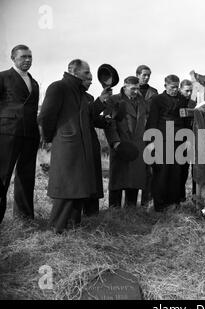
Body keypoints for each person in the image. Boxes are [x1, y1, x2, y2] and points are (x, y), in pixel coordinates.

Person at [38, 59, 111, 233]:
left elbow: (88, 116)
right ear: (72, 71)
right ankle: (56, 230)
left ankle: (72, 228)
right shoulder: (58, 87)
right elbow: (46, 116)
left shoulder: (79, 92)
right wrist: (51, 138)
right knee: (66, 190)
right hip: (68, 146)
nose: (90, 76)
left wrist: (101, 101)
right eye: (86, 73)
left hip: (80, 148)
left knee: (78, 189)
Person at [0, 44, 40, 224]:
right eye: (23, 56)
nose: (28, 60)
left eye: (30, 57)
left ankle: (24, 218)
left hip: (30, 134)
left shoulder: (35, 82)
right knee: (2, 176)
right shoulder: (3, 77)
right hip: (7, 134)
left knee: (26, 176)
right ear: (13, 58)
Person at [104, 76, 148, 208]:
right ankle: (114, 210)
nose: (135, 91)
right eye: (132, 88)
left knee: (134, 180)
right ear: (124, 87)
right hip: (121, 144)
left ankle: (131, 210)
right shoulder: (114, 100)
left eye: (137, 88)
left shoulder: (142, 102)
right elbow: (109, 123)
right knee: (118, 179)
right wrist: (115, 142)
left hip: (138, 145)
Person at [145, 74, 186, 212]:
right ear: (165, 86)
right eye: (172, 87)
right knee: (162, 173)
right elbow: (152, 121)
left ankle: (173, 203)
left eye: (177, 87)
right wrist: (151, 143)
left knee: (176, 173)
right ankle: (159, 205)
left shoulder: (182, 99)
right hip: (162, 140)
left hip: (179, 141)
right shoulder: (157, 100)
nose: (175, 90)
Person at [136, 65, 158, 207]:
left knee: (149, 169)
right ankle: (130, 204)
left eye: (148, 75)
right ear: (138, 75)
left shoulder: (153, 93)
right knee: (134, 168)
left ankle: (147, 202)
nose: (147, 77)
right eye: (144, 75)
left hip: (150, 133)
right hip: (134, 133)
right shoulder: (131, 90)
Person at [178, 79, 196, 201]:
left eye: (191, 91)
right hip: (176, 140)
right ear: (180, 89)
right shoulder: (176, 102)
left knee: (185, 170)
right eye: (186, 91)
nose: (189, 93)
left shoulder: (193, 104)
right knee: (177, 171)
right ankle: (177, 197)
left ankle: (183, 198)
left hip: (189, 140)